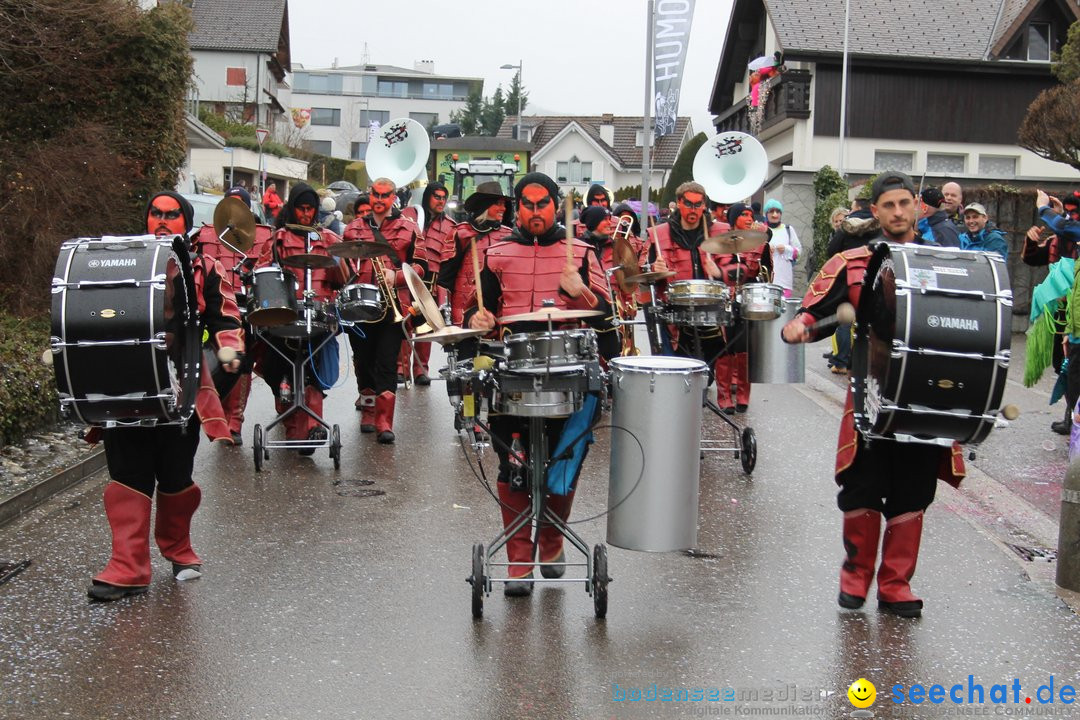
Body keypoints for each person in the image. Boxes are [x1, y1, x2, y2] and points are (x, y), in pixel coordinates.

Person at [782, 171, 965, 618]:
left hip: (927, 394)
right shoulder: (852, 262)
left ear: (918, 207)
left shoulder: (945, 261)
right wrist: (800, 327)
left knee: (914, 489)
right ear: (877, 211)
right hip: (872, 392)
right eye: (889, 205)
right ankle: (855, 578)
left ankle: (896, 584)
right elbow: (814, 310)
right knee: (863, 486)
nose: (898, 212)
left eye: (905, 203)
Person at [87, 191, 245, 601]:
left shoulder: (205, 266)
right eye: (155, 213)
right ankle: (128, 566)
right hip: (126, 382)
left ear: (185, 222)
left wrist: (230, 352)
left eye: (171, 215)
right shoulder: (119, 262)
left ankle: (179, 550)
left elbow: (226, 317)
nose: (161, 220)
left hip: (183, 384)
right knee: (127, 475)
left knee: (175, 476)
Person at [466, 172, 610, 596]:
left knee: (562, 465)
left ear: (554, 204)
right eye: (526, 204)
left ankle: (550, 540)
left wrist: (581, 292)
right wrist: (477, 321)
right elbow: (476, 314)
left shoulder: (581, 252)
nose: (534, 212)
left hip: (568, 375)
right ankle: (517, 559)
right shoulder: (494, 252)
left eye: (542, 203)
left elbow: (606, 314)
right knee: (513, 466)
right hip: (510, 373)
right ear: (517, 207)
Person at [253, 183, 348, 454]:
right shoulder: (277, 239)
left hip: (318, 314)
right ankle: (294, 423)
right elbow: (262, 276)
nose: (306, 214)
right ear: (292, 208)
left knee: (316, 368)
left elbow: (343, 281)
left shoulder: (328, 239)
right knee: (277, 367)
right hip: (283, 315)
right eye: (301, 209)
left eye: (310, 209)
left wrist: (339, 262)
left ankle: (311, 428)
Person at [342, 177, 427, 444]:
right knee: (363, 360)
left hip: (393, 306)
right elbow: (344, 266)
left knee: (386, 362)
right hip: (360, 306)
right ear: (370, 195)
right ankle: (368, 409)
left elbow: (421, 269)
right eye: (375, 195)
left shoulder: (410, 228)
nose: (379, 200)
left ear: (393, 197)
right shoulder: (353, 229)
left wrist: (397, 276)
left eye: (385, 195)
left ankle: (383, 420)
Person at [194, 186, 273, 445]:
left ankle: (234, 421)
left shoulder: (263, 237)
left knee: (241, 362)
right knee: (214, 361)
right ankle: (214, 415)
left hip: (247, 308)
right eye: (230, 203)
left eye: (240, 204)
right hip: (214, 310)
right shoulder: (204, 234)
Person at [712, 202, 773, 411]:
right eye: (744, 215)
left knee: (745, 348)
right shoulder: (720, 241)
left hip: (748, 298)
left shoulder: (759, 242)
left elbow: (766, 271)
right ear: (734, 219)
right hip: (724, 299)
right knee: (725, 347)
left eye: (751, 215)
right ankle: (724, 396)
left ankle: (743, 394)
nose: (750, 218)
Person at [399, 182, 456, 385]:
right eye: (437, 197)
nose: (441, 201)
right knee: (404, 325)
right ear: (427, 197)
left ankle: (421, 369)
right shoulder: (409, 216)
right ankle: (402, 369)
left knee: (425, 328)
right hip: (407, 279)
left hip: (430, 283)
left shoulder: (450, 225)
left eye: (443, 197)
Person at [438, 181, 513, 326]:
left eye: (504, 204)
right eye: (498, 203)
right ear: (485, 205)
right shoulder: (460, 234)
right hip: (464, 317)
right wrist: (446, 318)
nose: (503, 208)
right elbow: (445, 280)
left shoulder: (510, 235)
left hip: (502, 315)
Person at [826, 198, 878, 374]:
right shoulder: (879, 226)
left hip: (848, 279)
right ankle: (864, 363)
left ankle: (841, 362)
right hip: (872, 280)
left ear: (856, 208)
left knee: (844, 322)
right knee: (868, 323)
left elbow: (832, 251)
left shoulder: (847, 227)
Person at [762, 199, 801, 298]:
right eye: (771, 211)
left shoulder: (788, 229)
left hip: (784, 281)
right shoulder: (761, 229)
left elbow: (799, 253)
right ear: (766, 214)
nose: (775, 214)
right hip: (764, 281)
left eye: (778, 211)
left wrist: (787, 249)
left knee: (783, 311)